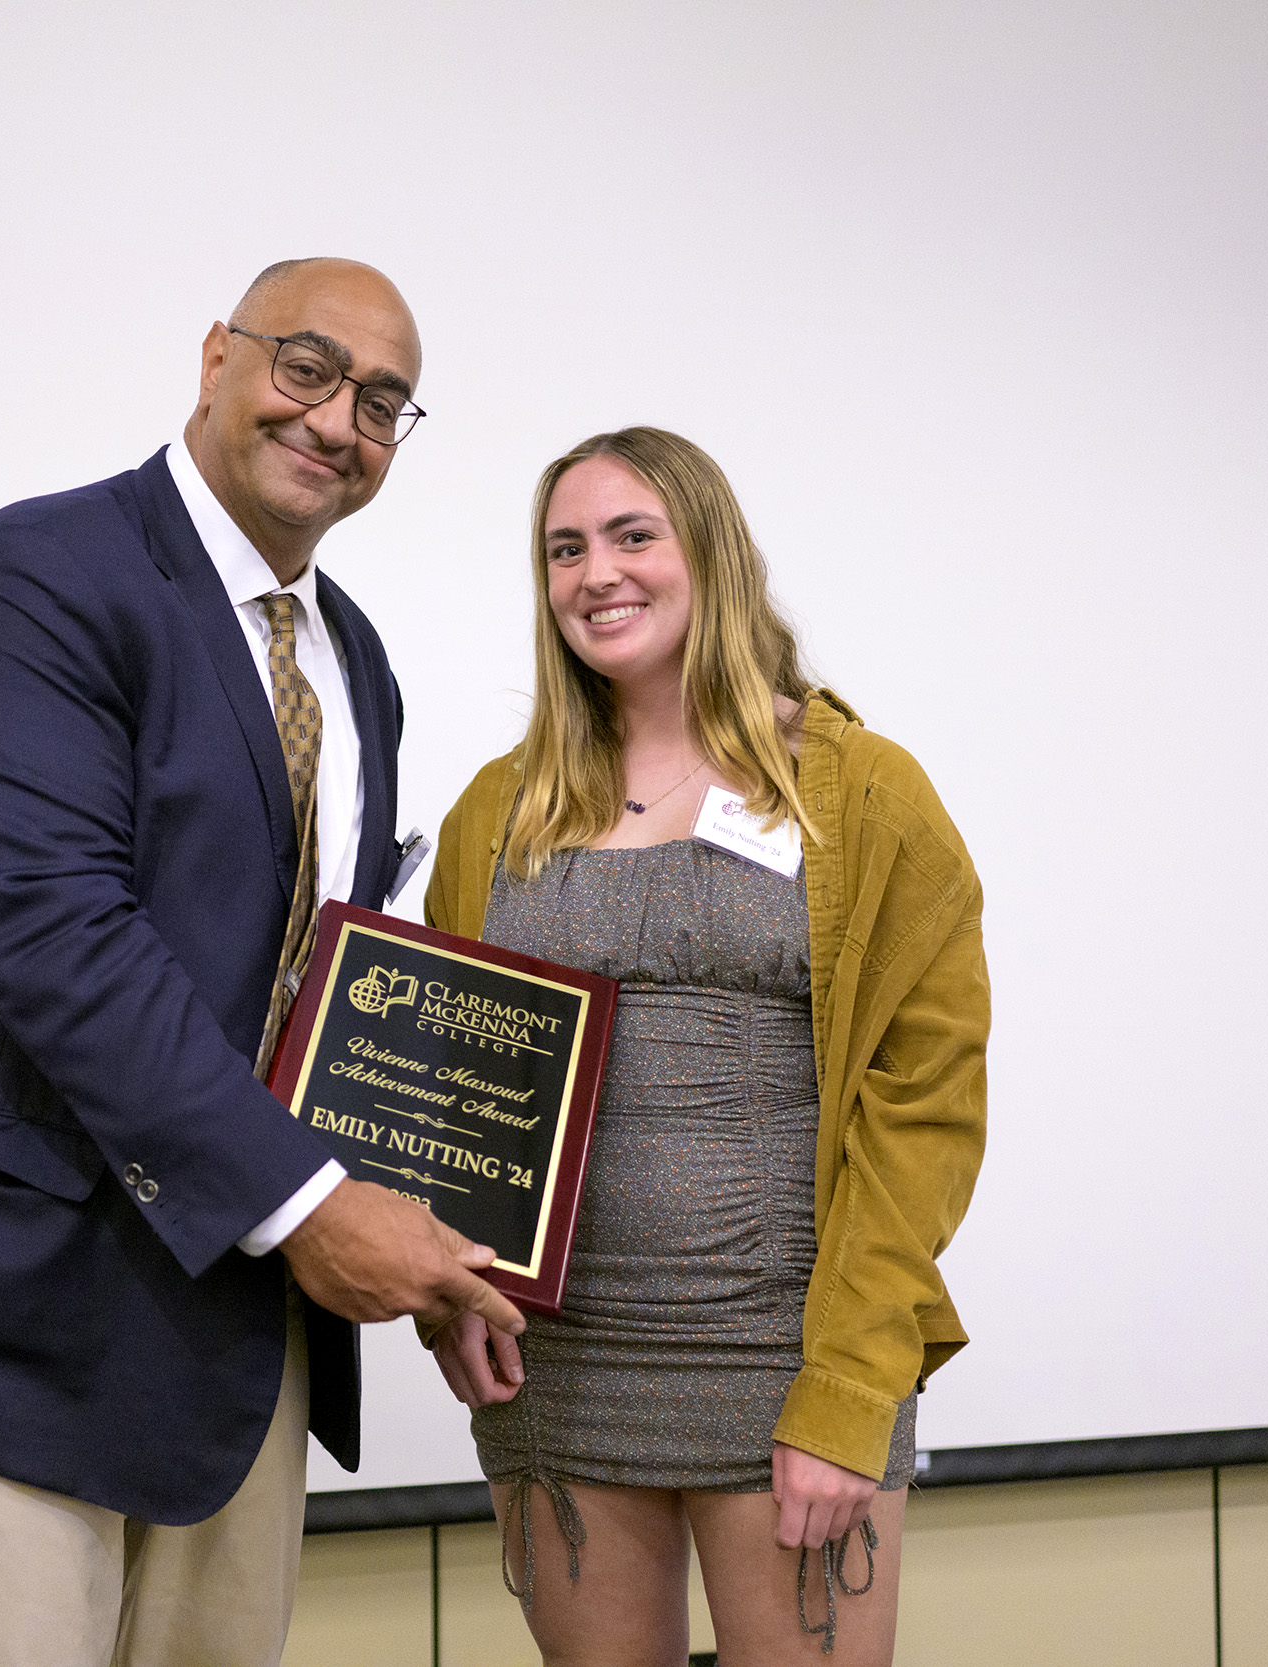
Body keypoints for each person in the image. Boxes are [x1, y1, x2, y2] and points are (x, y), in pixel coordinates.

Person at [0, 258, 526, 1667]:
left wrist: (419, 1244)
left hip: (235, 1346)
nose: (336, 419)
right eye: (306, 367)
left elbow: (328, 999)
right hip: (0, 1325)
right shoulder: (40, 576)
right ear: (215, 359)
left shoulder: (354, 658)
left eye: (382, 401)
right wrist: (317, 1206)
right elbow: (56, 938)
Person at [420, 428, 989, 1665]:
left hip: (784, 1357)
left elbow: (923, 1103)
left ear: (711, 557)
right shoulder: (495, 810)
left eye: (633, 536)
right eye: (563, 548)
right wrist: (446, 1289)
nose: (594, 573)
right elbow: (457, 1089)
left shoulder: (860, 792)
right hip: (560, 1373)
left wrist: (846, 1391)